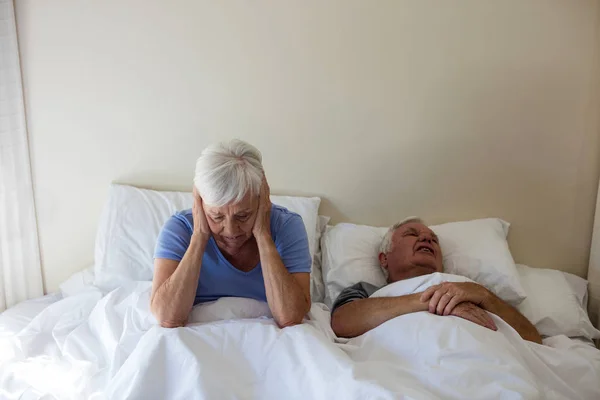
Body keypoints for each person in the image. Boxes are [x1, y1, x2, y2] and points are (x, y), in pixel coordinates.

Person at [150, 139, 311, 328]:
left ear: (262, 201)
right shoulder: (180, 228)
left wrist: (262, 234)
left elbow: (290, 318)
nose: (231, 230)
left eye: (243, 216)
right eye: (217, 217)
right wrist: (200, 236)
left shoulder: (287, 226)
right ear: (200, 204)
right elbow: (167, 318)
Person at [330, 217, 542, 344]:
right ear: (384, 258)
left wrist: (484, 296)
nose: (426, 239)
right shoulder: (367, 292)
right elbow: (341, 322)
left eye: (433, 240)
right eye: (412, 234)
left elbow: (533, 339)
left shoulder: (471, 290)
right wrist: (435, 300)